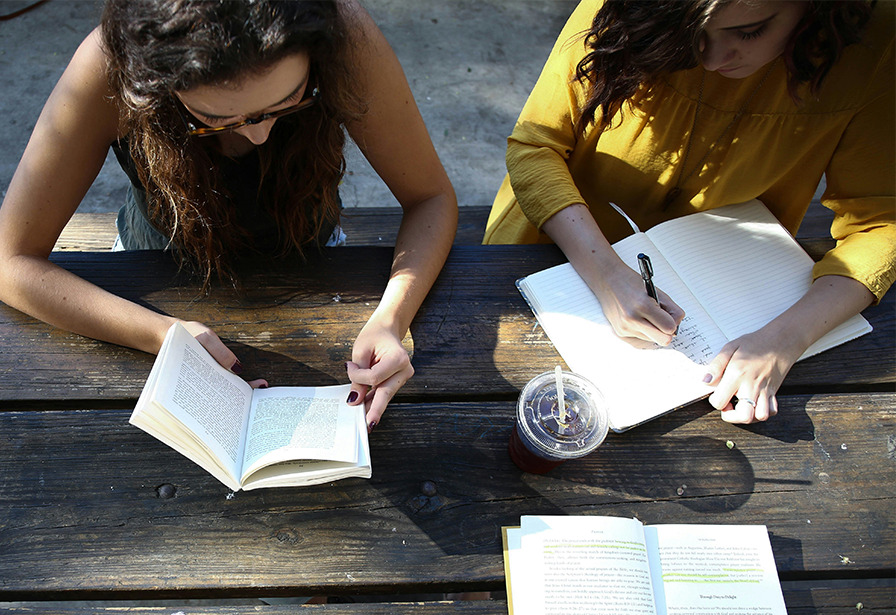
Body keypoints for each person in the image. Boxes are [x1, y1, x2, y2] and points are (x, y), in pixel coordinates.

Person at [0, 0, 458, 431]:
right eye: (217, 117)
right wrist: (164, 335)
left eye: (289, 101)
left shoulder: (343, 35)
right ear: (153, 82)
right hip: (149, 273)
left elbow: (430, 198)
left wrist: (391, 319)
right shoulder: (110, 63)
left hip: (314, 257)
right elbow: (9, 260)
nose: (259, 135)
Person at [485, 0, 894, 424]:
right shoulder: (625, 8)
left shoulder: (875, 43)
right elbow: (537, 146)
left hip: (736, 293)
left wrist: (785, 339)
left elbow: (883, 223)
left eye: (750, 31)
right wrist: (606, 274)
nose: (714, 59)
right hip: (549, 245)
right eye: (693, 32)